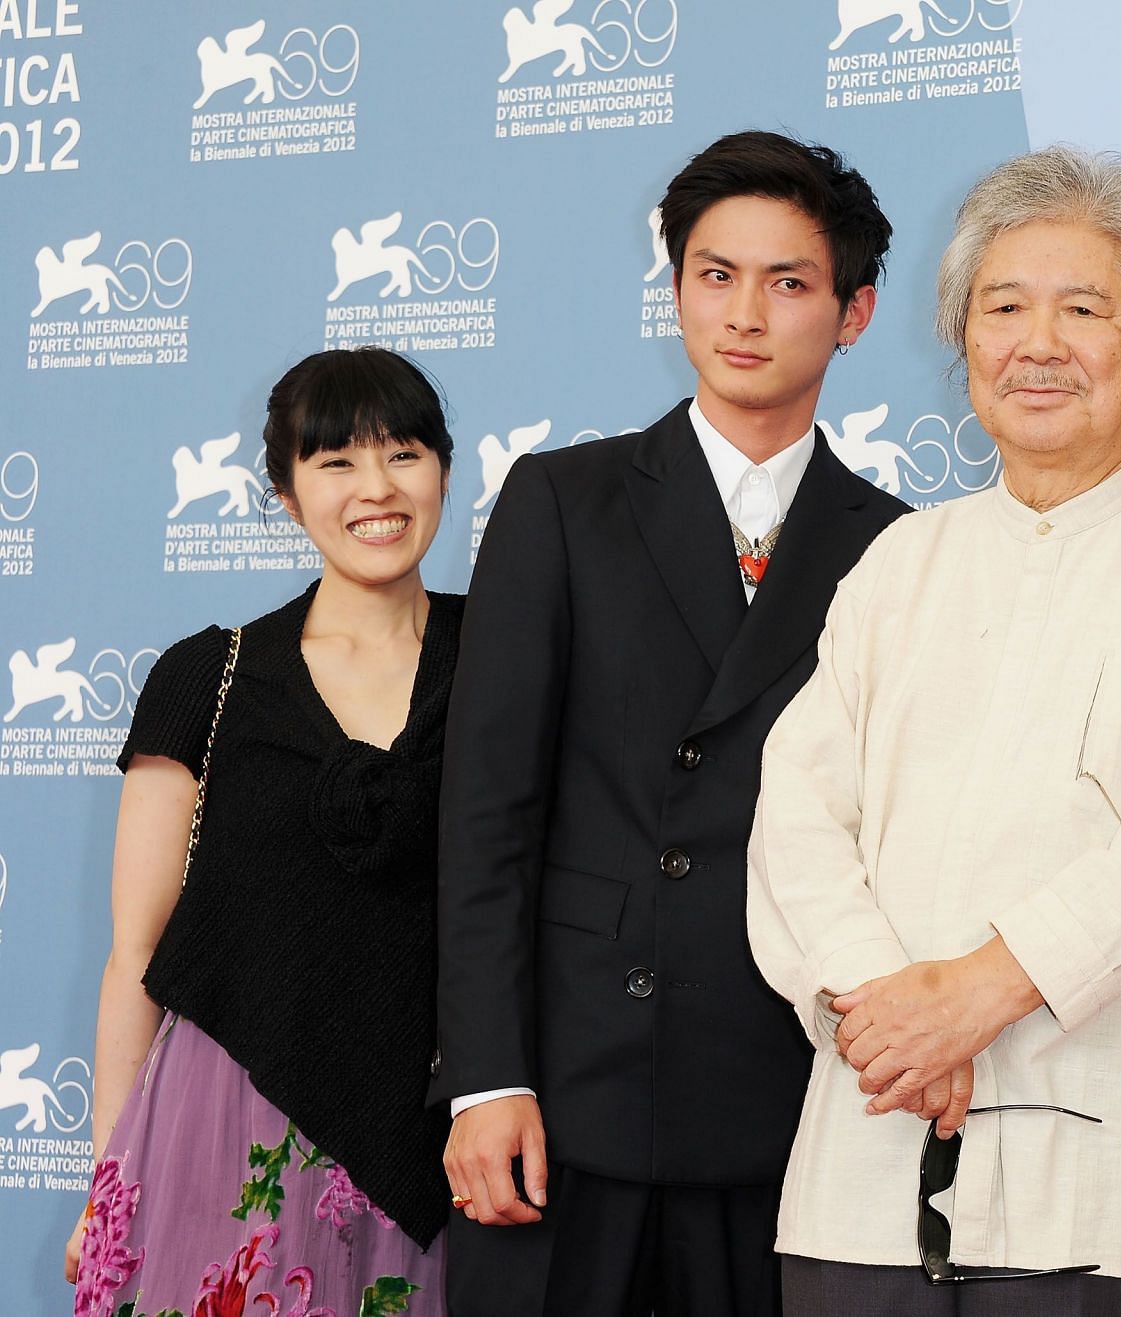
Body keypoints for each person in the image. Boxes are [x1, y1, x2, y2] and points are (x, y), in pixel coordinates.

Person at [747, 145, 1121, 1312]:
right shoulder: (901, 562)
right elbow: (798, 816)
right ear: (961, 341)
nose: (1037, 344)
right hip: (871, 1160)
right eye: (1003, 308)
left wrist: (980, 994)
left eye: (1084, 309)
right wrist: (891, 1013)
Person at [432, 130, 907, 1316]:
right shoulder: (562, 501)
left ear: (853, 313)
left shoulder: (904, 546)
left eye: (788, 282)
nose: (744, 313)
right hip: (568, 1088)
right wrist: (484, 1078)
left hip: (790, 1093)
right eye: (713, 274)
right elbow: (486, 811)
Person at [66, 347, 461, 1315]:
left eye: (404, 455)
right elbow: (136, 950)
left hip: (449, 1141)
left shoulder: (511, 656)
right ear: (285, 494)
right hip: (227, 1125)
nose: (377, 489)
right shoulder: (210, 677)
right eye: (335, 463)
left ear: (445, 469)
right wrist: (107, 1181)